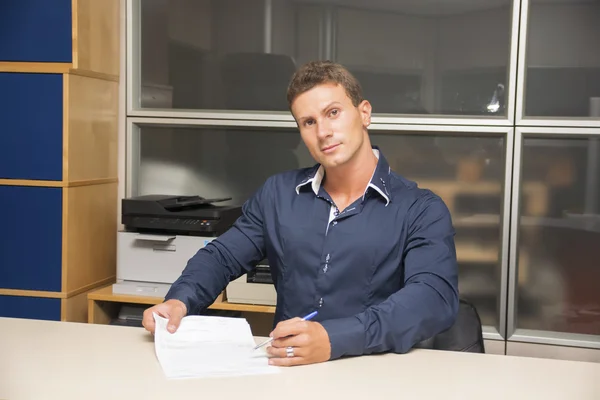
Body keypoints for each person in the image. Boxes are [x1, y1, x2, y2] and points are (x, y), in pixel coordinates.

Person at [142, 60, 459, 367]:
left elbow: (432, 299)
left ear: (364, 113)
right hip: (287, 371)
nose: (323, 131)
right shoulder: (278, 194)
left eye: (332, 113)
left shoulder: (421, 208)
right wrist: (180, 300)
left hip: (373, 374)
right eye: (308, 122)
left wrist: (334, 337)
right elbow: (222, 256)